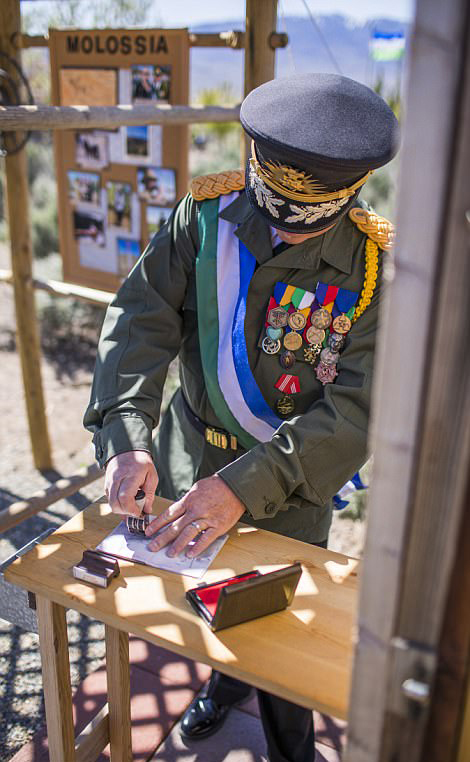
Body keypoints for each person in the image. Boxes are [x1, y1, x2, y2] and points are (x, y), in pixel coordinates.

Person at [84, 73, 398, 762]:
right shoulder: (205, 215)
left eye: (305, 214)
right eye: (273, 204)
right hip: (183, 455)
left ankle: (291, 744)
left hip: (288, 487)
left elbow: (355, 409)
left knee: (278, 628)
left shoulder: (374, 269)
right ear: (255, 166)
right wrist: (126, 438)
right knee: (187, 602)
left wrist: (242, 489)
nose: (282, 225)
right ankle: (219, 691)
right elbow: (141, 319)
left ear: (349, 192)